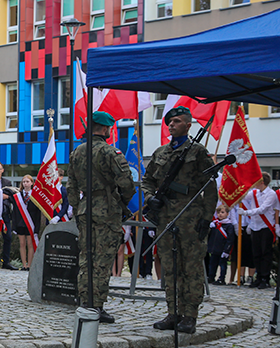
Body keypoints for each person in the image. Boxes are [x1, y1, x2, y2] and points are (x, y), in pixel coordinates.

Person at [142, 106, 216, 334]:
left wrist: (206, 218)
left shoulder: (198, 152)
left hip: (190, 216)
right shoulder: (161, 152)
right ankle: (173, 313)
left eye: (176, 121)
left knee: (191, 266)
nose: (171, 125)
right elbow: (147, 180)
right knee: (171, 267)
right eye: (170, 122)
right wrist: (151, 198)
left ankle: (190, 315)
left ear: (188, 125)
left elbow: (210, 187)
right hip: (165, 216)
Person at [67, 111, 135, 323]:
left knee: (86, 257)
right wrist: (120, 200)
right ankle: (96, 305)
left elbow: (71, 186)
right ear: (105, 129)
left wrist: (79, 208)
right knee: (103, 259)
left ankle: (84, 301)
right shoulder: (109, 152)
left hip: (85, 209)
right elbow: (127, 183)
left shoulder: (77, 152)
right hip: (106, 210)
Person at [238, 172, 280, 289]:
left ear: (262, 182)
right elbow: (244, 196)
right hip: (256, 226)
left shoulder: (271, 194)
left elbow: (262, 209)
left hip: (266, 227)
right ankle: (258, 277)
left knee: (265, 253)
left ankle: (265, 279)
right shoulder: (255, 192)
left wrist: (246, 213)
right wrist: (241, 185)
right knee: (256, 253)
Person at [12, 175, 41, 270]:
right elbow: (15, 212)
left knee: (30, 244)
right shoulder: (18, 196)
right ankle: (23, 265)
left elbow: (38, 213)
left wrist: (37, 227)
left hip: (31, 224)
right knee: (22, 244)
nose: (25, 183)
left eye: (27, 181)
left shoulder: (36, 196)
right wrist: (14, 226)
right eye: (24, 182)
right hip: (20, 224)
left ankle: (29, 265)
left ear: (32, 183)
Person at [0, 161, 16, 270]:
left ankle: (6, 261)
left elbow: (13, 197)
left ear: (2, 170)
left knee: (8, 237)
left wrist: (5, 197)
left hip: (5, 213)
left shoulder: (7, 182)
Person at [207, 204, 235, 286]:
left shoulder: (229, 226)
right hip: (214, 248)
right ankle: (211, 276)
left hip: (223, 249)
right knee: (212, 264)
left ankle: (221, 278)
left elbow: (230, 239)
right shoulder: (214, 224)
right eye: (218, 212)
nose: (220, 214)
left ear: (227, 214)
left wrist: (227, 250)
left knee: (223, 265)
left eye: (222, 212)